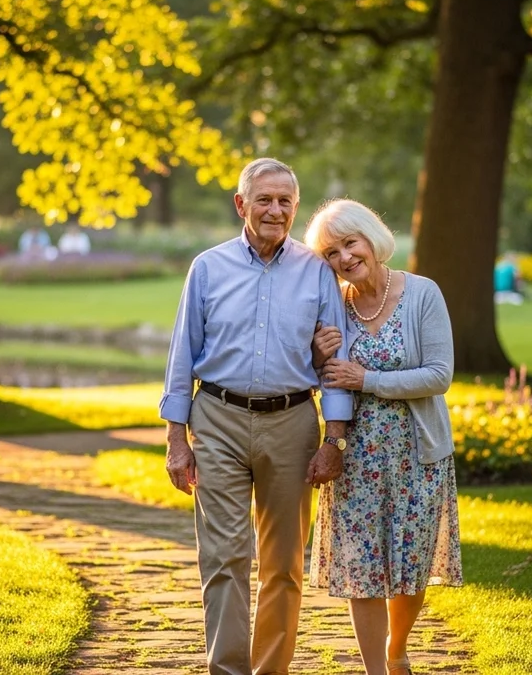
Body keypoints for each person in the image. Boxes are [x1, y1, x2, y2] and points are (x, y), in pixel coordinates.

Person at [160, 158, 353, 675]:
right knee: (223, 556)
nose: (275, 209)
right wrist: (176, 440)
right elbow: (182, 356)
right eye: (264, 199)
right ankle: (227, 671)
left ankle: (270, 670)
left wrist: (334, 440)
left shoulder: (317, 271)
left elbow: (333, 366)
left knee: (284, 564)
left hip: (292, 424)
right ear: (241, 205)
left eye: (285, 201)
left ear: (295, 207)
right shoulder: (207, 267)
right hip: (217, 419)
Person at [304, 199, 463, 675]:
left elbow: (439, 375)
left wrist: (367, 379)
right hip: (356, 458)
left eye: (349, 243)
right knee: (362, 571)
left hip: (419, 455)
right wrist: (316, 357)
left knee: (410, 569)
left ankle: (397, 649)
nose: (344, 258)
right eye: (331, 253)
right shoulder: (334, 307)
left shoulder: (421, 293)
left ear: (371, 239)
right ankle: (377, 668)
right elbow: (323, 379)